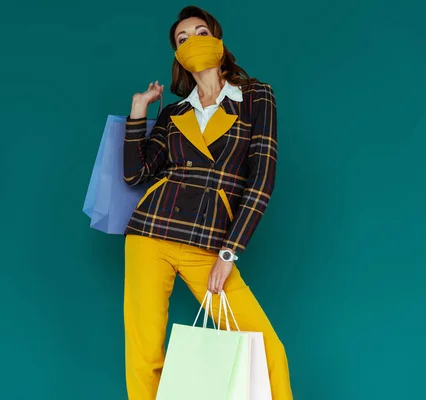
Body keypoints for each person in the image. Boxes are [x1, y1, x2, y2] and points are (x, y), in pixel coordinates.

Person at [122, 5, 293, 400]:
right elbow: (136, 174)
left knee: (266, 349)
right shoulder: (173, 113)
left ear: (217, 40)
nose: (192, 42)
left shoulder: (255, 97)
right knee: (145, 356)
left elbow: (261, 178)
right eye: (182, 39)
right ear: (178, 56)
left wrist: (229, 251)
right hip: (151, 235)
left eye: (200, 32)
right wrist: (138, 110)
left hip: (211, 243)